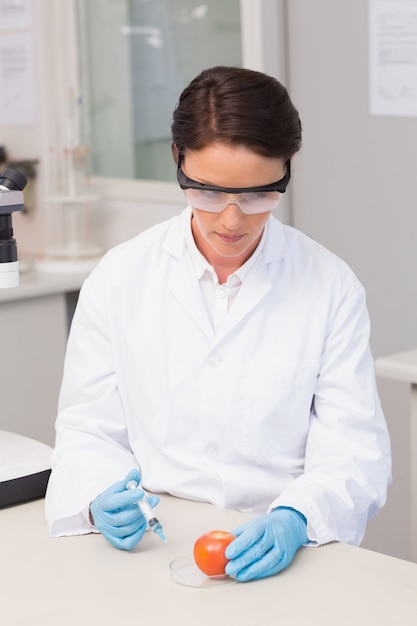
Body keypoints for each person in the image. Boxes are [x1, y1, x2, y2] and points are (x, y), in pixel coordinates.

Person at [45, 66, 391, 582]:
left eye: (256, 195)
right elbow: (86, 429)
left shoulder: (330, 285)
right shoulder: (121, 276)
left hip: (282, 553)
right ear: (177, 161)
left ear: (287, 169)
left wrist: (296, 518)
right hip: (153, 542)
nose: (231, 220)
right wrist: (98, 492)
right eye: (207, 192)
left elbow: (354, 452)